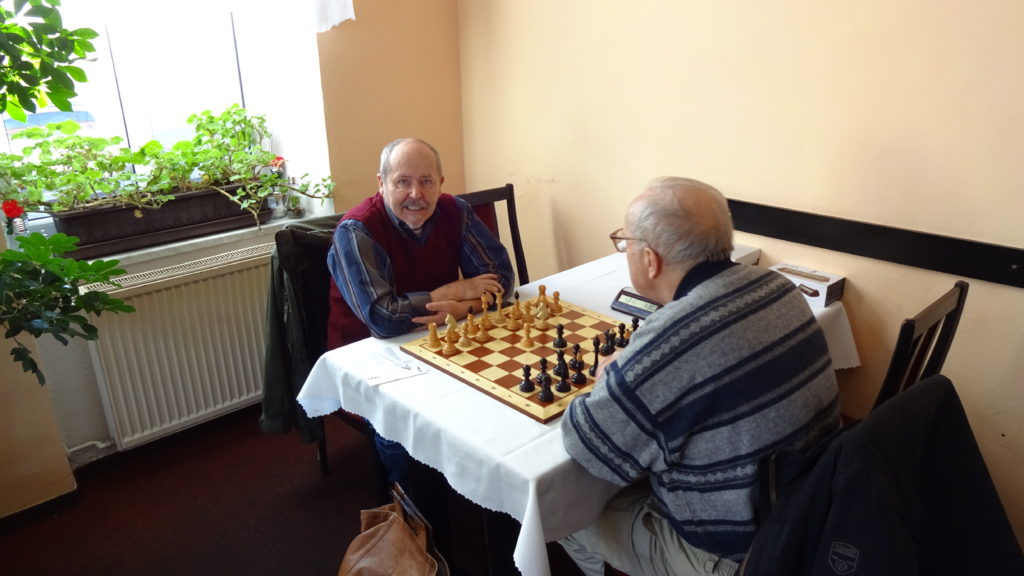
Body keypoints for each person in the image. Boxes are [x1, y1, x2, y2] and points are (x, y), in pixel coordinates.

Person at [559, 177, 841, 576]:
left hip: (736, 558)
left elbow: (586, 442)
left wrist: (611, 377)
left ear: (650, 260)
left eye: (625, 244)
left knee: (564, 515)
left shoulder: (671, 340)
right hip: (808, 514)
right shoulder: (777, 286)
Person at [326, 137, 514, 484]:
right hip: (370, 356)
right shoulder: (357, 230)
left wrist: (463, 308)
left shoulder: (455, 210)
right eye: (403, 182)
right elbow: (383, 318)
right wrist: (451, 292)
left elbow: (501, 277)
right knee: (399, 428)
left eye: (426, 181)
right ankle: (410, 503)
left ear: (440, 183)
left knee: (507, 383)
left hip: (437, 337)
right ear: (381, 183)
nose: (417, 194)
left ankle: (478, 484)